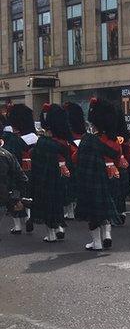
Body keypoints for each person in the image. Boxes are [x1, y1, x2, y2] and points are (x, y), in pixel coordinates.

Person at [75, 99, 123, 251]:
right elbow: (118, 157)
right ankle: (107, 234)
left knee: (93, 210)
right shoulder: (114, 141)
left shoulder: (89, 140)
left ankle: (96, 242)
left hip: (95, 176)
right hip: (113, 175)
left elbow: (76, 159)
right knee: (107, 207)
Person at [32, 104, 73, 242]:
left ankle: (51, 234)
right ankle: (60, 227)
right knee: (59, 203)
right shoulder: (65, 143)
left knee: (48, 205)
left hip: (47, 177)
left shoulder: (43, 142)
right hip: (63, 176)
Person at [5, 104, 36, 235]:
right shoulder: (35, 137)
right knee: (27, 194)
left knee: (14, 195)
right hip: (32, 169)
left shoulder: (13, 140)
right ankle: (28, 217)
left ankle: (17, 226)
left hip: (18, 169)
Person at [63, 101, 87, 221]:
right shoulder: (84, 134)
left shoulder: (67, 136)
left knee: (69, 186)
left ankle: (70, 211)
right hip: (81, 163)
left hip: (72, 161)